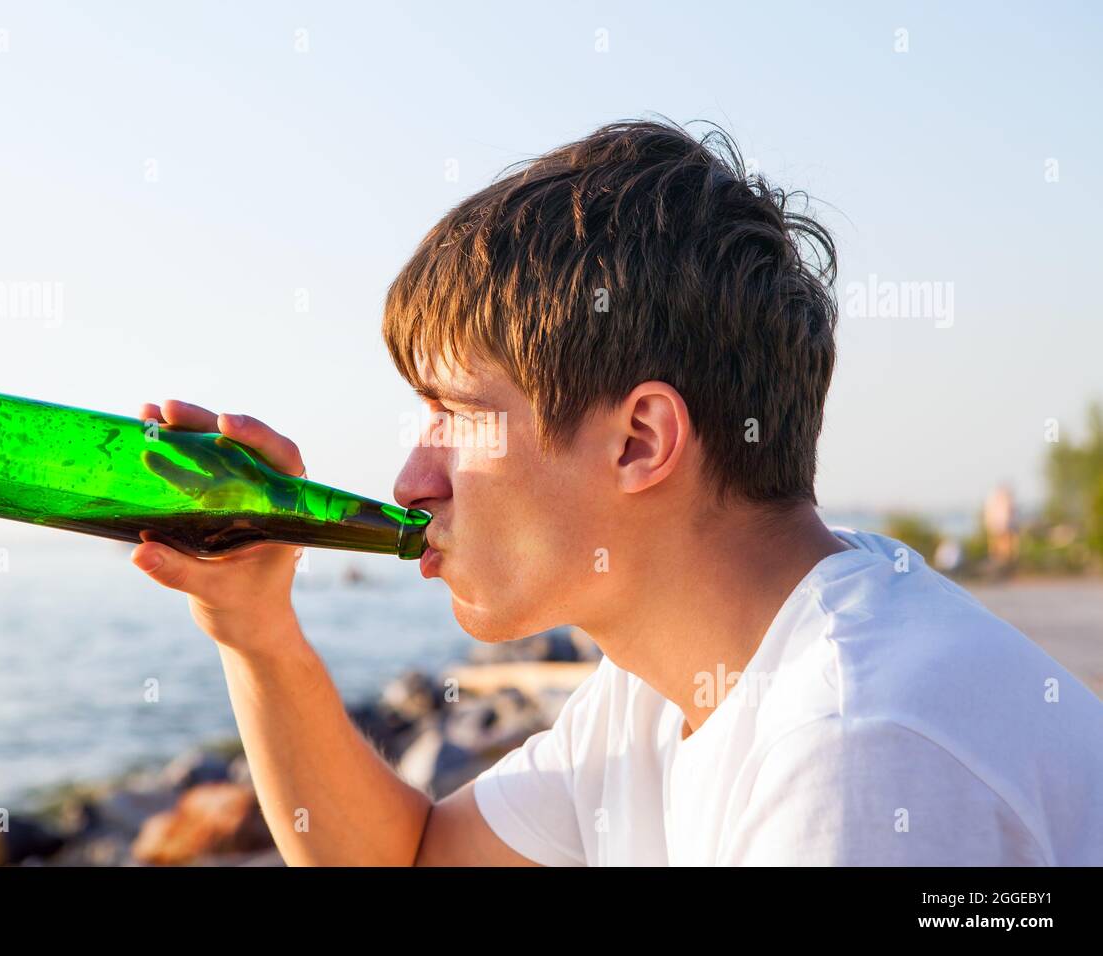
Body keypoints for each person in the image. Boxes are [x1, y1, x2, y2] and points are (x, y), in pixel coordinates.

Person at [130, 120, 1103, 865]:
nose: (411, 480)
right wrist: (255, 630)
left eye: (454, 414)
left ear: (639, 439)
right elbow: (413, 856)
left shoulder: (853, 749)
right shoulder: (674, 678)